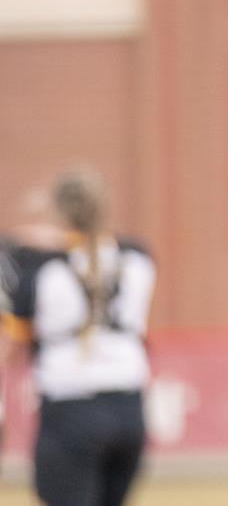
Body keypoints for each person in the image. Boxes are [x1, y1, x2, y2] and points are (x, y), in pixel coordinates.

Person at [0, 168, 154, 506]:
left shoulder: (41, 270)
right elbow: (98, 249)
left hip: (70, 406)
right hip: (130, 406)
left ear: (58, 213)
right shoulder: (137, 258)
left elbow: (13, 347)